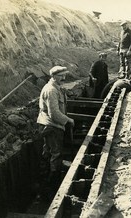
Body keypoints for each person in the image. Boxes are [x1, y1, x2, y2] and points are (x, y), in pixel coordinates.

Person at [37, 65, 74, 198]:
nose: (63, 78)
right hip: (52, 126)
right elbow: (54, 114)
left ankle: (43, 184)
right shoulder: (51, 90)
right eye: (60, 76)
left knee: (48, 153)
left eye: (64, 75)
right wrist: (68, 120)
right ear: (53, 76)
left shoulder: (55, 88)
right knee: (56, 154)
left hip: (49, 125)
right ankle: (53, 186)